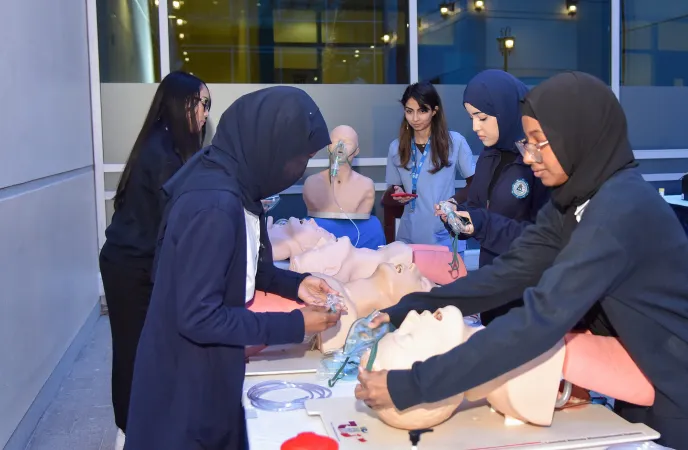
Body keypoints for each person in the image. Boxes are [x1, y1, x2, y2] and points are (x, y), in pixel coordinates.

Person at [355, 72, 688, 449]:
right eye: (526, 141)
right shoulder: (574, 200)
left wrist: (413, 384)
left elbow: (540, 320)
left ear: (576, 136)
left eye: (539, 142)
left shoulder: (620, 210)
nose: (529, 155)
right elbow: (508, 273)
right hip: (639, 375)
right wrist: (410, 305)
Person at [123, 86, 343, 450]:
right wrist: (295, 324)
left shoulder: (234, 182)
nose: (299, 170)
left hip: (206, 367)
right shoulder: (214, 204)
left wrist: (296, 284)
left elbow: (240, 266)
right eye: (300, 158)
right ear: (272, 146)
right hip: (186, 385)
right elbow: (199, 316)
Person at [98, 71, 209, 442]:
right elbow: (175, 222)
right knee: (134, 351)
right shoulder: (163, 154)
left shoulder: (163, 143)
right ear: (182, 104)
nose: (205, 113)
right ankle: (133, 430)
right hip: (130, 266)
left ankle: (139, 425)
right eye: (201, 103)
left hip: (132, 260)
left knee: (143, 349)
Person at [437, 69, 550, 325]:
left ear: (506, 109)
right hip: (492, 282)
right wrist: (457, 219)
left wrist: (482, 223)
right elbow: (477, 208)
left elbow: (546, 236)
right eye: (471, 118)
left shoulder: (538, 161)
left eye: (483, 118)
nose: (475, 127)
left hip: (527, 290)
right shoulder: (489, 155)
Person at [384, 81, 475, 249]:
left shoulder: (455, 142)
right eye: (409, 111)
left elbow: (475, 184)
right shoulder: (396, 147)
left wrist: (453, 202)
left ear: (434, 111)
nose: (415, 118)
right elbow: (392, 192)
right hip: (408, 237)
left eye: (422, 110)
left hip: (444, 234)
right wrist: (397, 193)